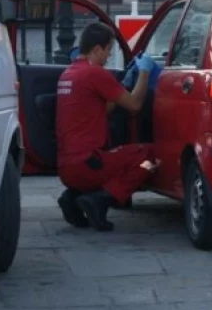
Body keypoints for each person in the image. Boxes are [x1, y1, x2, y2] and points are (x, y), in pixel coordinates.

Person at [55, 22, 159, 232]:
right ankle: (101, 199)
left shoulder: (69, 74)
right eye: (108, 51)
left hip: (66, 168)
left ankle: (74, 197)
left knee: (114, 157)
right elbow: (135, 106)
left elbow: (103, 109)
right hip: (89, 165)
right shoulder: (95, 74)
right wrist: (144, 74)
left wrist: (123, 86)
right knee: (150, 157)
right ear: (97, 49)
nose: (108, 57)